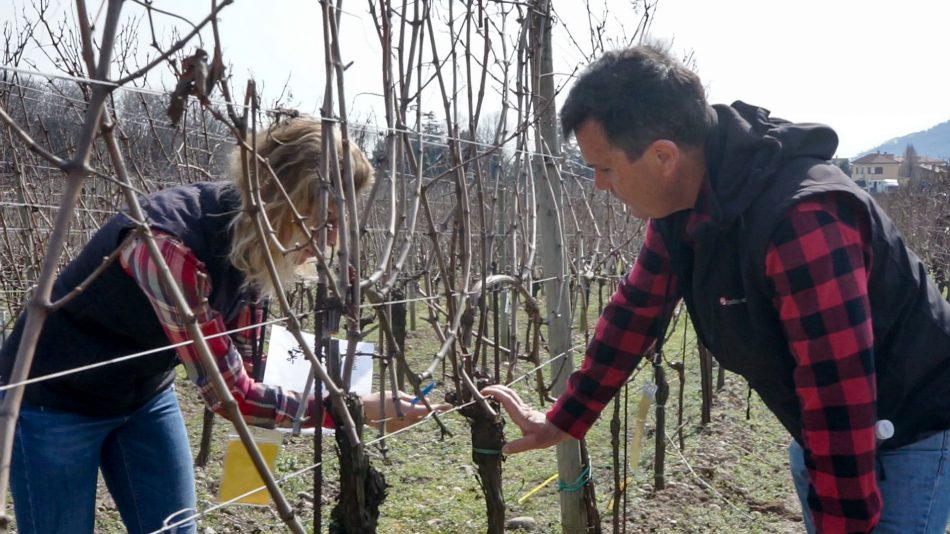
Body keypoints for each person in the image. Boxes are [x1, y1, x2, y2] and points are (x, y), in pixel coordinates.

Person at [483, 44, 950, 533]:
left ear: (663, 155)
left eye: (605, 168)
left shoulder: (802, 221)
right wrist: (565, 419)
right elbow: (635, 310)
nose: (600, 185)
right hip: (827, 433)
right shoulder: (685, 204)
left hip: (902, 429)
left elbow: (838, 392)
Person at [0, 115, 444, 534]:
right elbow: (233, 397)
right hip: (50, 401)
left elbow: (245, 365)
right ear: (281, 201)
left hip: (144, 394)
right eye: (324, 221)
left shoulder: (252, 244)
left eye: (340, 223)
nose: (332, 240)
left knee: (174, 527)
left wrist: (337, 398)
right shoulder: (168, 248)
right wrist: (347, 409)